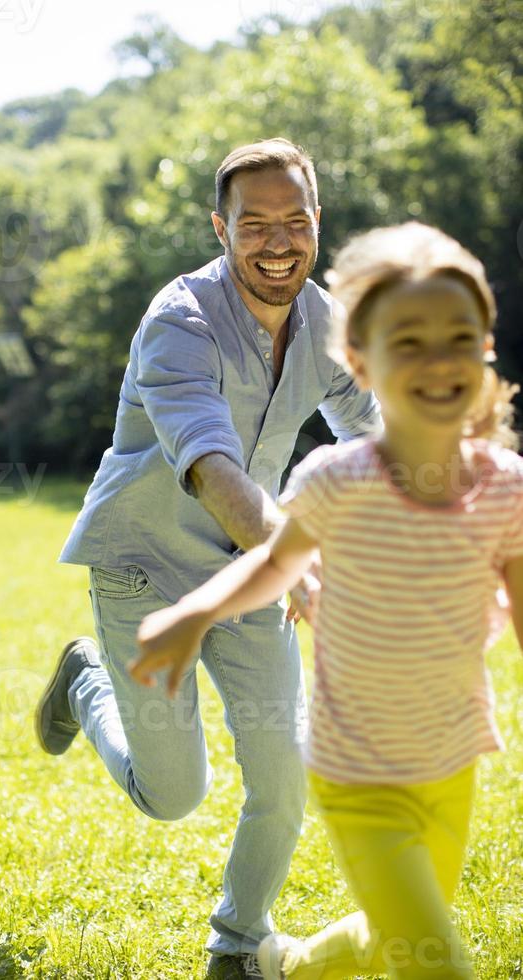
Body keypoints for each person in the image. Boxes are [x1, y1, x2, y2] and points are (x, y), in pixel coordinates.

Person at [130, 222, 523, 980]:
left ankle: (289, 966)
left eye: (458, 338)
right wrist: (194, 613)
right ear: (360, 362)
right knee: (435, 958)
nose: (437, 359)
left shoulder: (506, 486)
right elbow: (275, 569)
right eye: (408, 340)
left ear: (485, 351)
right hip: (358, 770)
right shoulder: (339, 479)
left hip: (452, 759)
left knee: (398, 932)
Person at [35, 137, 380, 980]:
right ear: (219, 227)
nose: (276, 241)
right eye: (253, 222)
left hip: (250, 569)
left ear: (317, 224)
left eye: (293, 221)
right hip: (146, 565)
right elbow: (212, 469)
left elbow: (375, 431)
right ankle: (85, 682)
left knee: (285, 771)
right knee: (173, 795)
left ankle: (236, 941)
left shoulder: (324, 321)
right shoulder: (179, 322)